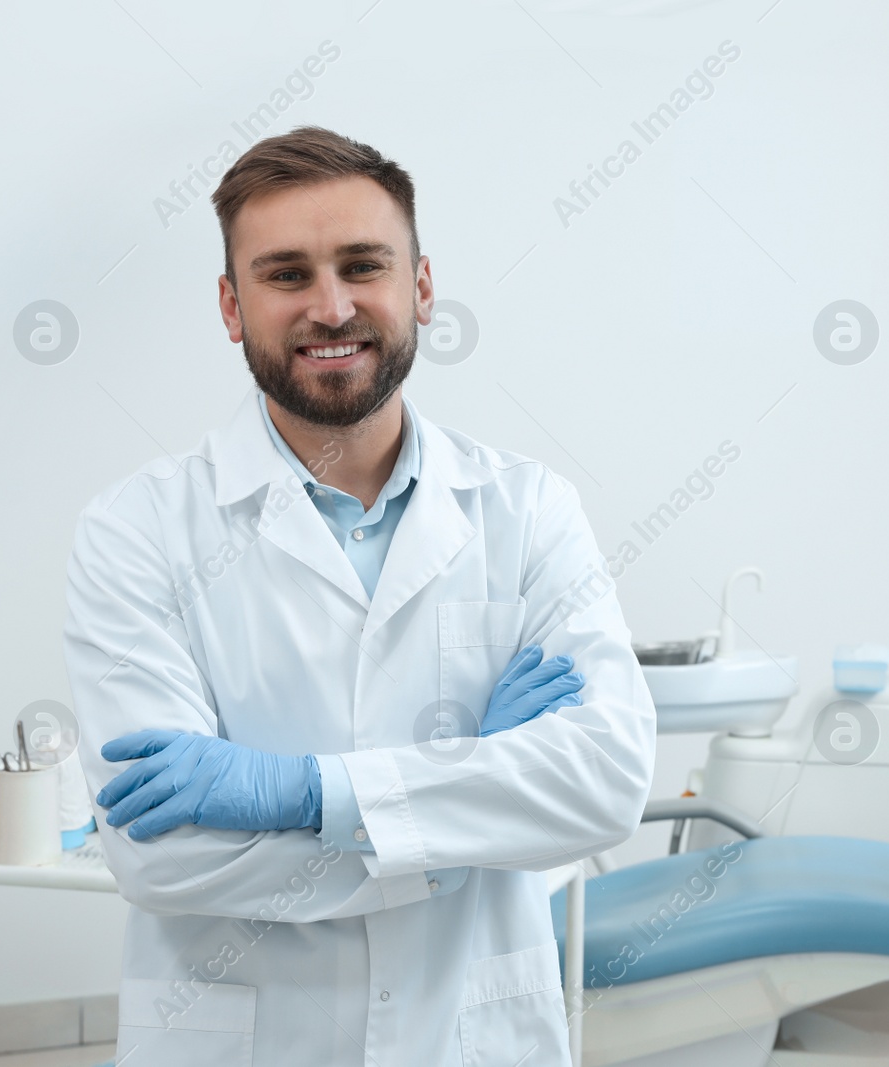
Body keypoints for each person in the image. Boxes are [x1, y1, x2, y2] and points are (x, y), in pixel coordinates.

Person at [62, 126, 655, 1066]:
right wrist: (476, 789)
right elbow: (164, 858)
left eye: (363, 265)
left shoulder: (528, 509)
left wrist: (306, 793)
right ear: (231, 305)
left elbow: (605, 784)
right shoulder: (137, 532)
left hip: (472, 1034)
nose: (331, 307)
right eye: (286, 274)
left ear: (421, 286)